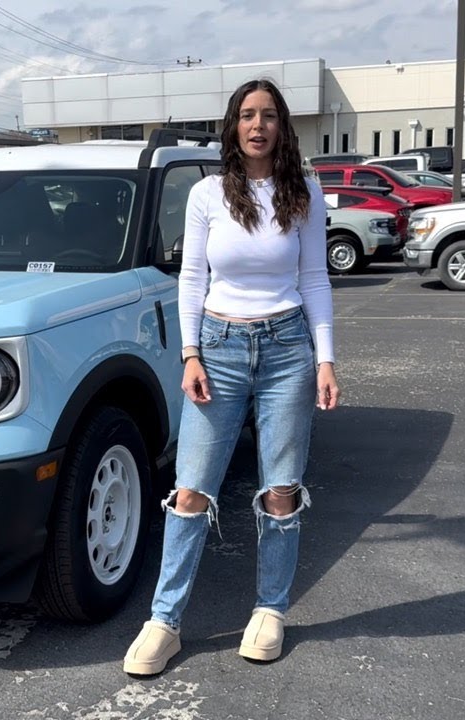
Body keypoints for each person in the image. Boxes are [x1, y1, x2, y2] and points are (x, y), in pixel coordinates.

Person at [123, 78, 340, 675]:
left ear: (282, 127)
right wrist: (189, 353)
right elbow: (191, 279)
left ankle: (269, 609)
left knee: (280, 488)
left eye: (268, 115)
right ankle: (164, 620)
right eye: (247, 115)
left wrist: (325, 359)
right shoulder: (208, 194)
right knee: (191, 488)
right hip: (216, 347)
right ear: (232, 125)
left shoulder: (305, 193)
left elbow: (315, 280)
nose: (257, 125)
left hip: (288, 346)